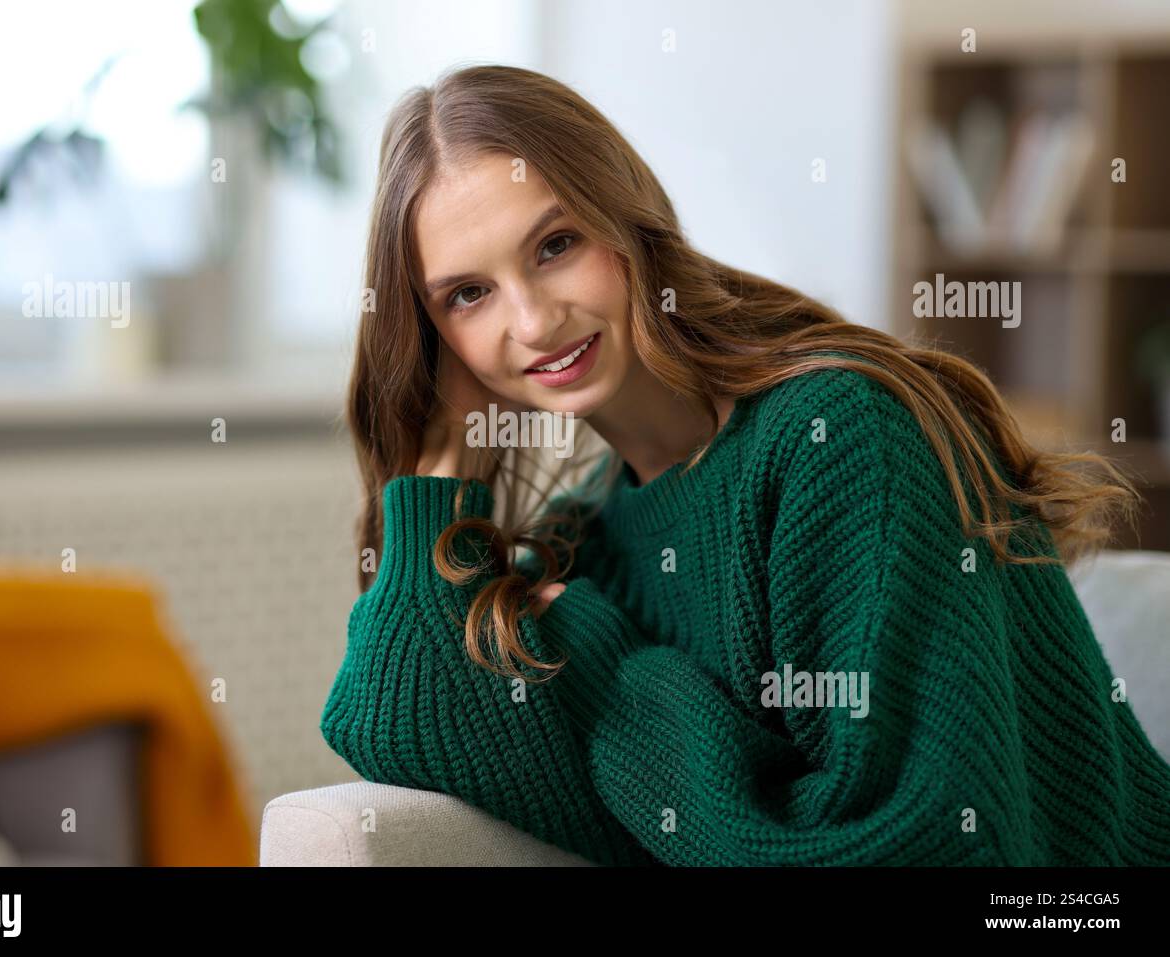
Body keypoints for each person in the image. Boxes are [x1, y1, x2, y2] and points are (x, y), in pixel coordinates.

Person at [321, 64, 1170, 866]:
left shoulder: (838, 438)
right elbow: (387, 715)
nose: (536, 320)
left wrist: (619, 687)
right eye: (468, 295)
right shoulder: (593, 533)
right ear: (438, 342)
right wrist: (435, 472)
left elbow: (925, 846)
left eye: (556, 244)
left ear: (627, 219)